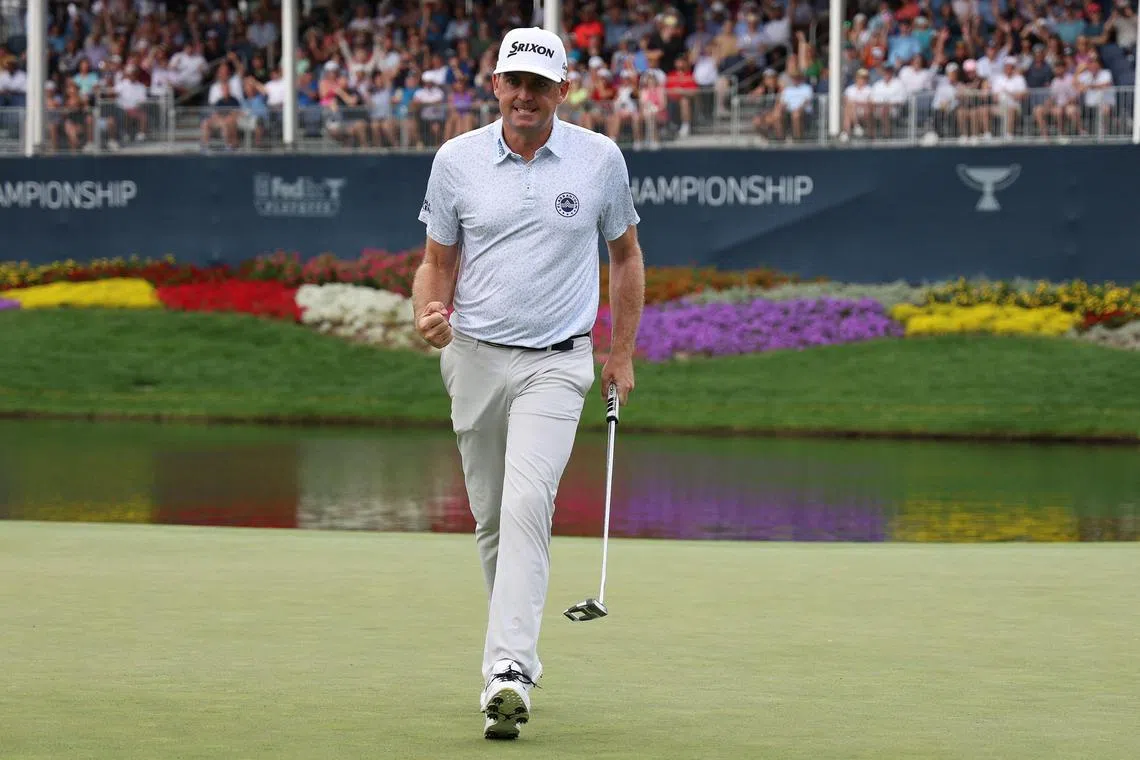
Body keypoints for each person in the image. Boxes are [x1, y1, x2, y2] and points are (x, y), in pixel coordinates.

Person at [412, 25, 645, 742]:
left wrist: (622, 352)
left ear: (562, 90)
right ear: (495, 86)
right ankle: (508, 660)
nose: (524, 95)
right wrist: (427, 307)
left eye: (539, 84)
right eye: (513, 81)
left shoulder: (599, 159)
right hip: (475, 357)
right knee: (490, 517)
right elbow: (436, 262)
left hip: (557, 361)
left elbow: (627, 258)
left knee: (526, 504)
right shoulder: (456, 161)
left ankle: (509, 670)